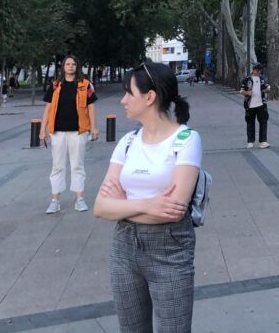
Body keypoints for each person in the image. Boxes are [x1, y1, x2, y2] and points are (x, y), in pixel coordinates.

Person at [94, 62, 201, 333]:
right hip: (124, 248)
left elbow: (174, 211)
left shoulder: (186, 139)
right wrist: (147, 204)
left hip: (170, 249)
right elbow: (100, 206)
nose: (123, 100)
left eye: (129, 93)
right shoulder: (128, 142)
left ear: (150, 97)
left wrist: (122, 204)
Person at [39, 55, 99, 213]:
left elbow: (91, 107)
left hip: (78, 132)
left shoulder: (86, 85)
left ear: (77, 67)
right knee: (57, 166)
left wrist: (94, 128)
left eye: (73, 64)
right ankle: (55, 200)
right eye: (67, 64)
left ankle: (79, 199)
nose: (70, 66)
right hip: (57, 132)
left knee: (77, 165)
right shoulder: (55, 85)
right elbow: (48, 108)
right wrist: (42, 130)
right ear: (63, 67)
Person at [240, 62, 270, 149]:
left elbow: (267, 87)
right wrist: (247, 92)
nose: (259, 72)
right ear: (253, 70)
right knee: (250, 122)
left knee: (263, 122)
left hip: (261, 104)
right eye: (257, 70)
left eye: (260, 70)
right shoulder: (247, 79)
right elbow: (241, 90)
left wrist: (267, 90)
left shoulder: (262, 78)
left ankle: (263, 141)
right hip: (250, 104)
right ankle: (250, 141)